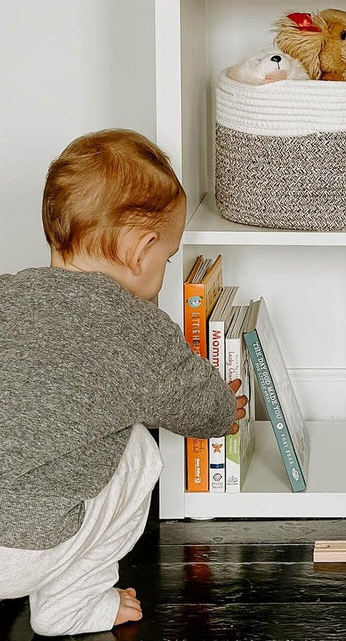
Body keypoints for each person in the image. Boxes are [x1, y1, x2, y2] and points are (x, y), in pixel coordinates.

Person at [0, 128, 247, 636]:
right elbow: (196, 406)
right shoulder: (133, 326)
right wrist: (227, 411)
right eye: (168, 258)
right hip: (22, 550)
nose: (164, 269)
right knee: (137, 450)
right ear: (141, 250)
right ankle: (74, 604)